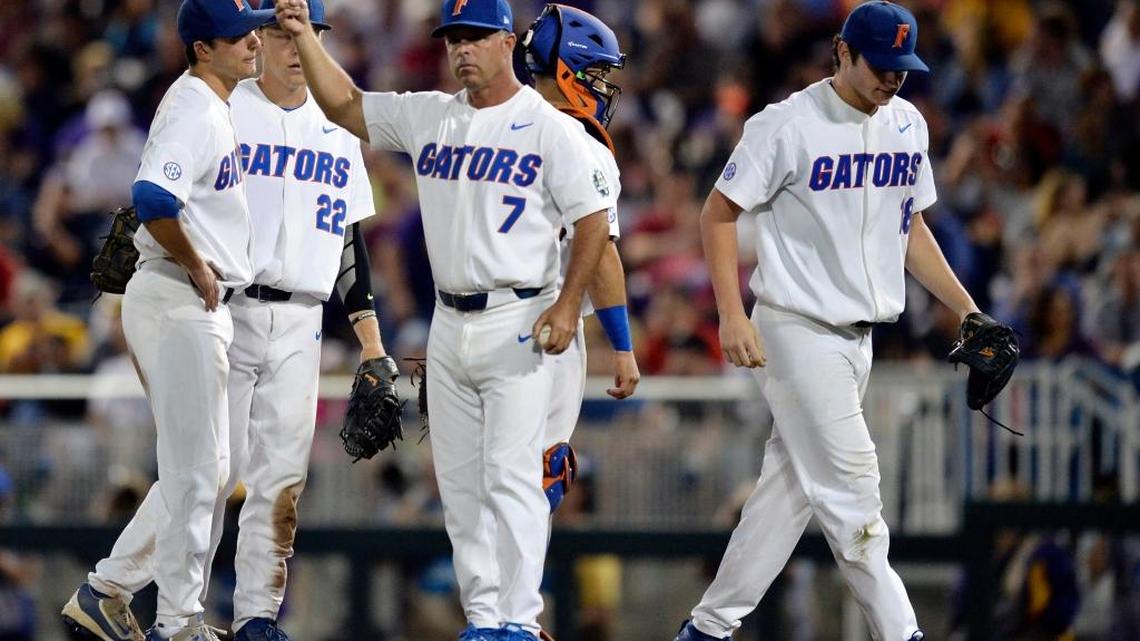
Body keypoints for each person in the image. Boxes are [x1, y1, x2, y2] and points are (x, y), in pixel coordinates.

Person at [274, 1, 617, 639]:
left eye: (476, 37)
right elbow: (344, 104)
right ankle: (485, 619)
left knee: (515, 478)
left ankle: (519, 619)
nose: (462, 49)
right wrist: (301, 37)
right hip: (449, 322)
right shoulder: (431, 116)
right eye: (453, 38)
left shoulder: (548, 126)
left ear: (508, 42)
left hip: (521, 315)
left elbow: (595, 220)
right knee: (461, 488)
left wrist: (571, 305)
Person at [61, 1, 392, 640]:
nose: (295, 44)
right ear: (255, 39)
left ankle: (255, 618)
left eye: (309, 31)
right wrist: (166, 260)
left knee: (279, 481)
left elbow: (350, 240)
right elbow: (162, 195)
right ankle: (132, 597)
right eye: (279, 30)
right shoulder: (223, 103)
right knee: (211, 471)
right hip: (226, 304)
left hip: (303, 317)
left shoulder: (337, 127)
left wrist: (372, 342)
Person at [673, 3, 993, 640]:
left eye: (904, 68)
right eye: (881, 65)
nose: (894, 79)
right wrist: (731, 313)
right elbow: (717, 214)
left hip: (859, 340)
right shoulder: (786, 124)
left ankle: (706, 630)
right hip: (797, 328)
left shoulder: (907, 124)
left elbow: (911, 230)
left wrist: (969, 311)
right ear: (843, 53)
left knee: (786, 496)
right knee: (857, 507)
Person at [58, 0, 272, 640]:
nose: (254, 41)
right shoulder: (195, 108)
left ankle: (108, 588)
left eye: (254, 28)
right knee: (195, 469)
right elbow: (152, 198)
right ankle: (178, 621)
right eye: (239, 35)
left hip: (188, 300)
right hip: (181, 296)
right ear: (203, 48)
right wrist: (197, 264)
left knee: (211, 466)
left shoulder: (211, 105)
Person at [520, 3, 639, 514]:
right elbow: (602, 255)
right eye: (595, 74)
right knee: (539, 478)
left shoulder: (496, 125)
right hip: (549, 326)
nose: (602, 86)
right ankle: (516, 596)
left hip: (473, 319)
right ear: (566, 68)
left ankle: (488, 596)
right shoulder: (580, 143)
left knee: (487, 484)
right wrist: (623, 346)